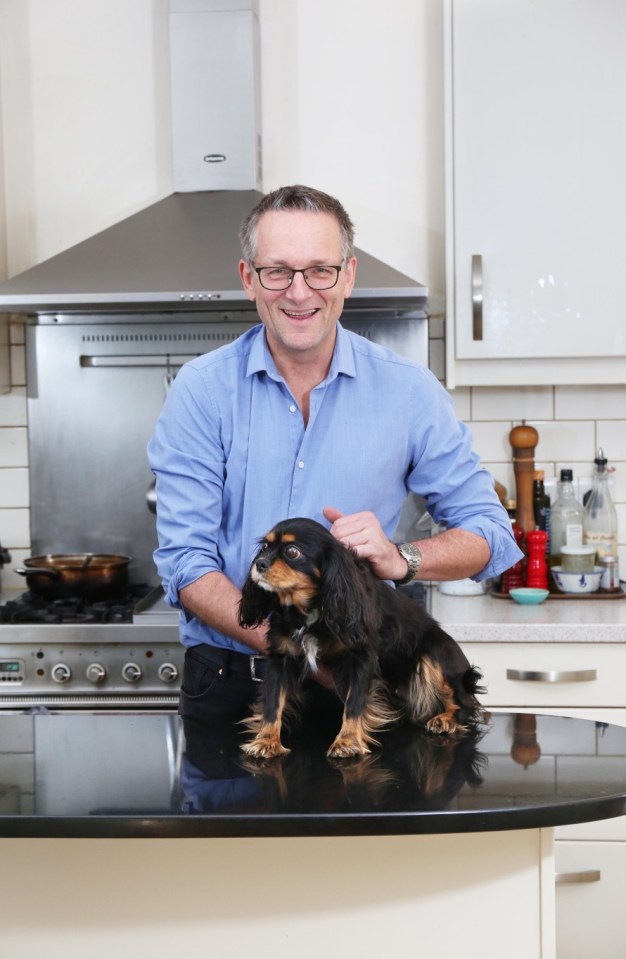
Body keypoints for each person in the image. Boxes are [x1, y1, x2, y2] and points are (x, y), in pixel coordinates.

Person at [147, 184, 522, 724]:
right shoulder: (201, 391)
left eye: (319, 270)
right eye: (278, 271)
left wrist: (404, 559)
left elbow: (490, 532)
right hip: (237, 689)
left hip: (361, 690)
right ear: (248, 278)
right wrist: (293, 646)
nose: (299, 293)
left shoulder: (409, 391)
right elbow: (186, 564)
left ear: (347, 275)